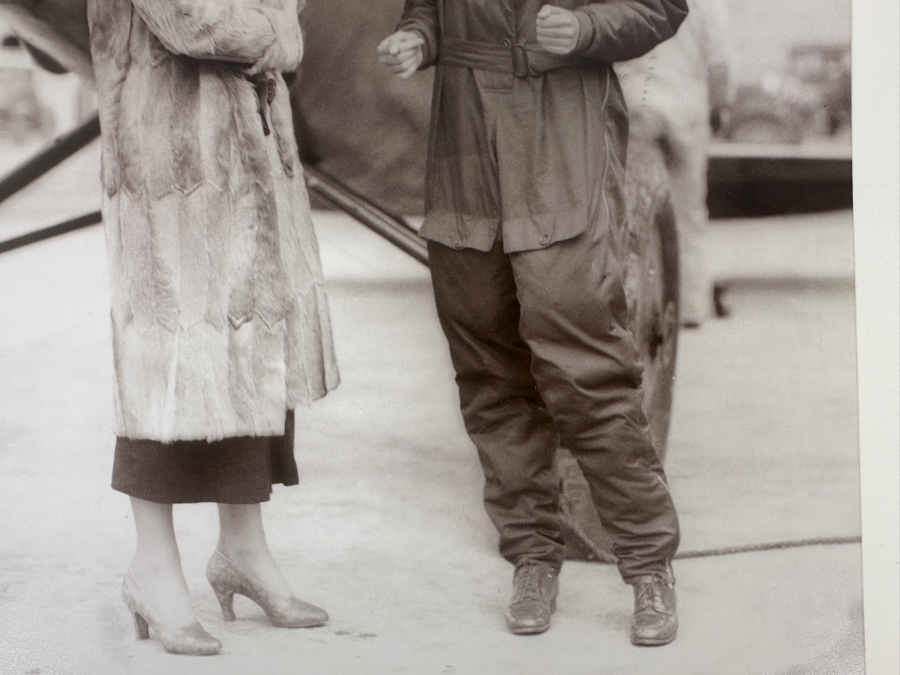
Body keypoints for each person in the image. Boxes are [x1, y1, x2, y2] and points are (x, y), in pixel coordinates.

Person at [379, 0, 685, 646]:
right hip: (465, 146)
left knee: (584, 365)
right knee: (487, 365)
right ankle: (532, 556)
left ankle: (649, 563)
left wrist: (585, 30)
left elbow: (662, 7)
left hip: (561, 136)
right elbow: (429, 10)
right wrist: (418, 39)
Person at [86, 0, 339, 656]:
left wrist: (278, 20)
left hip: (247, 143)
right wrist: (276, 29)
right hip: (169, 153)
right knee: (167, 365)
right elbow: (188, 18)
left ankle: (243, 548)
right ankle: (152, 567)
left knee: (253, 350)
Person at [615, 0, 735, 327]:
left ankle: (634, 306)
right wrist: (720, 109)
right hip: (686, 108)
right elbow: (720, 63)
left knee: (632, 211)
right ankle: (690, 307)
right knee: (688, 214)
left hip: (636, 101)